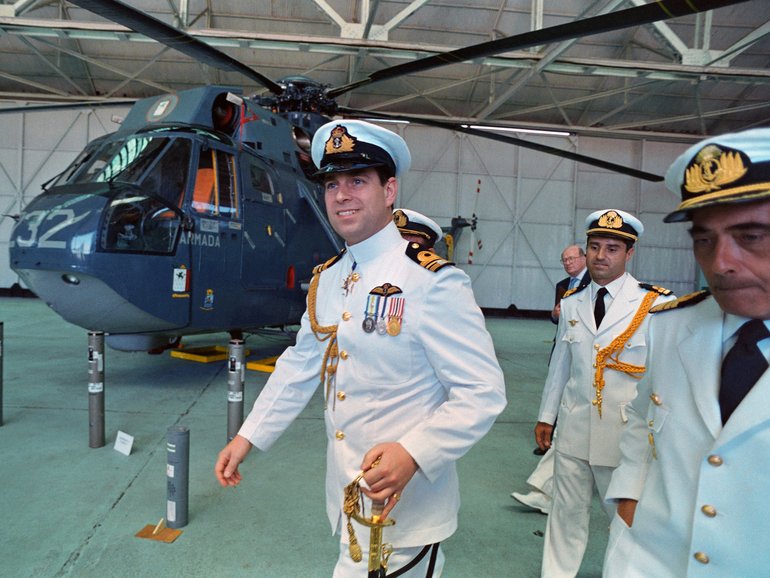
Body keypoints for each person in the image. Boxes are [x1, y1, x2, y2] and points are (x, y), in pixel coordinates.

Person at [214, 119, 507, 577]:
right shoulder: (329, 279)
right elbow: (300, 365)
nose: (341, 194)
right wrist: (248, 436)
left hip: (407, 511)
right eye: (331, 183)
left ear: (389, 190)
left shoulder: (430, 281)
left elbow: (482, 391)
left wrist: (414, 452)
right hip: (349, 497)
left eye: (357, 180)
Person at [603, 128, 770, 577]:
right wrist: (629, 494)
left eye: (751, 237)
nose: (720, 263)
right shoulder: (672, 327)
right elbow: (643, 418)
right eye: (704, 239)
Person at [535, 209, 675, 578]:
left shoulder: (655, 305)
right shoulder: (571, 302)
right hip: (575, 426)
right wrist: (547, 416)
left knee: (625, 519)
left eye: (612, 248)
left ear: (629, 254)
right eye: (594, 246)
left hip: (625, 433)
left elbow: (664, 375)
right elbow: (560, 366)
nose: (601, 255)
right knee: (564, 514)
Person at [551, 244, 591, 324]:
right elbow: (558, 320)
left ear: (584, 258)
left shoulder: (594, 281)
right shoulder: (561, 285)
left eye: (571, 259)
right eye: (564, 260)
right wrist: (554, 316)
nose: (567, 263)